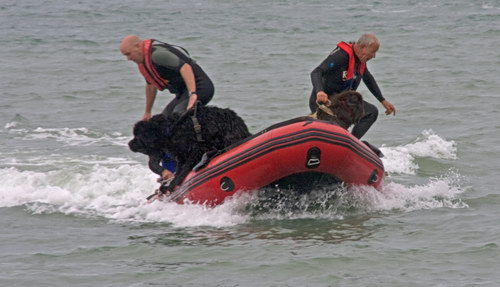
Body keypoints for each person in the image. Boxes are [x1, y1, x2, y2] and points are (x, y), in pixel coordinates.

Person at [120, 35, 215, 181]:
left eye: (128, 54)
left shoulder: (158, 55)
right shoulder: (143, 62)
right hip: (183, 93)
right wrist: (147, 111)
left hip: (200, 88)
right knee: (163, 123)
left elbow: (186, 67)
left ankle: (195, 159)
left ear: (138, 46)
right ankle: (170, 170)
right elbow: (151, 85)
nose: (128, 58)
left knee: (177, 121)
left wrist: (193, 94)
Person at [309, 33, 396, 139]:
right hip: (324, 102)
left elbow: (368, 79)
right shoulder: (341, 56)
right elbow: (316, 72)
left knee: (372, 112)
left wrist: (383, 100)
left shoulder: (360, 61)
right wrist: (320, 91)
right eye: (372, 52)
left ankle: (351, 142)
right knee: (334, 129)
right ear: (362, 47)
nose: (374, 56)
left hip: (341, 104)